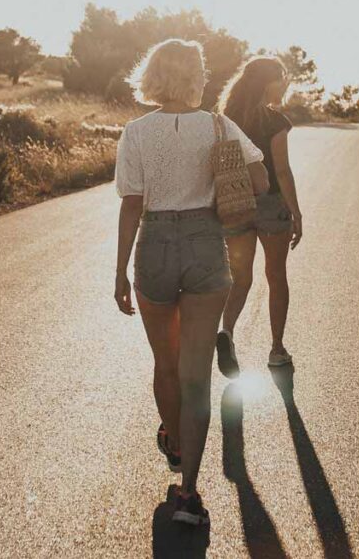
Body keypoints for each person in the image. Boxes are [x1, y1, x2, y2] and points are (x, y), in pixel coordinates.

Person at [113, 39, 269, 526]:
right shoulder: (220, 126)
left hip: (154, 244)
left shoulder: (136, 132)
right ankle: (188, 494)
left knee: (166, 363)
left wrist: (119, 270)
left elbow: (131, 203)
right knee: (196, 376)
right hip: (205, 242)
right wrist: (223, 170)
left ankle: (175, 440)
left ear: (153, 74)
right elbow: (261, 181)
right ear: (197, 76)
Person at [215, 57, 302, 377]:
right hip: (270, 204)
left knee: (240, 277)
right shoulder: (274, 121)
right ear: (268, 82)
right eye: (281, 78)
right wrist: (297, 212)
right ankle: (277, 350)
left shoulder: (225, 119)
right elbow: (281, 170)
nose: (285, 84)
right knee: (276, 276)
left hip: (235, 204)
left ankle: (227, 332)